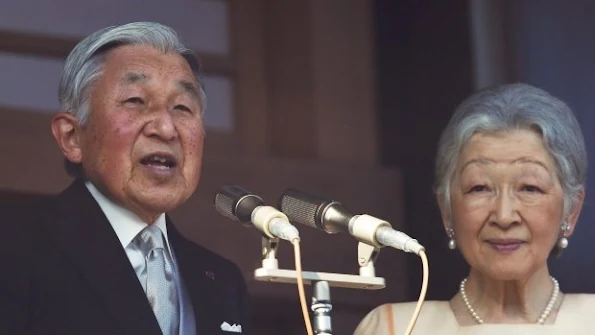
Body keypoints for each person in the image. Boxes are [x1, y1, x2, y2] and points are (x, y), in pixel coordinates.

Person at [0, 22, 250, 335]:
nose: (166, 128)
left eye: (183, 107)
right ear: (72, 137)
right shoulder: (12, 242)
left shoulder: (222, 280)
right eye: (135, 101)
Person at [355, 83, 595, 334]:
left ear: (572, 211)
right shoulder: (395, 327)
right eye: (479, 188)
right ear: (446, 210)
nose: (504, 216)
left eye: (529, 188)